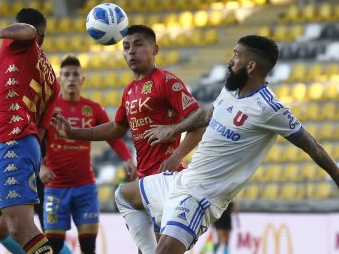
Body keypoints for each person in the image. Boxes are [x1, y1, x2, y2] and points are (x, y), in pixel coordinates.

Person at [108, 35, 339, 254]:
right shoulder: (231, 89)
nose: (230, 60)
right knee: (123, 196)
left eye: (236, 55)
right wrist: (174, 129)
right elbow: (208, 113)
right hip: (182, 181)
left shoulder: (270, 109)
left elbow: (313, 147)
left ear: (250, 66)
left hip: (201, 197)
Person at [53, 25, 205, 179]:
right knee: (123, 196)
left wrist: (177, 156)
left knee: (122, 196)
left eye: (138, 44)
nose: (131, 51)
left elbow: (200, 119)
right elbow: (117, 128)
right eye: (126, 47)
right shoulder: (129, 91)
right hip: (145, 176)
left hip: (167, 175)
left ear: (155, 50)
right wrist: (73, 132)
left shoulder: (165, 81)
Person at [0, 8, 60, 254]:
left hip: (13, 144)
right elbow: (38, 129)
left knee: (19, 229)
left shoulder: (24, 42)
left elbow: (28, 30)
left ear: (38, 36)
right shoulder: (52, 80)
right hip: (11, 142)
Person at [40, 54, 137, 253]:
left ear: (83, 79)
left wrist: (128, 158)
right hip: (55, 187)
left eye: (76, 74)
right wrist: (40, 166)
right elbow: (33, 138)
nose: (71, 79)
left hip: (85, 187)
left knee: (88, 247)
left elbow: (113, 135)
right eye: (66, 75)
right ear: (59, 80)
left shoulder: (93, 109)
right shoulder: (50, 109)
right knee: (54, 247)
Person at [0, 138, 72, 254]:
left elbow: (56, 138)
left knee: (49, 236)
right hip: (19, 174)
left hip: (44, 180)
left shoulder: (38, 123)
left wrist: (42, 164)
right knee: (2, 230)